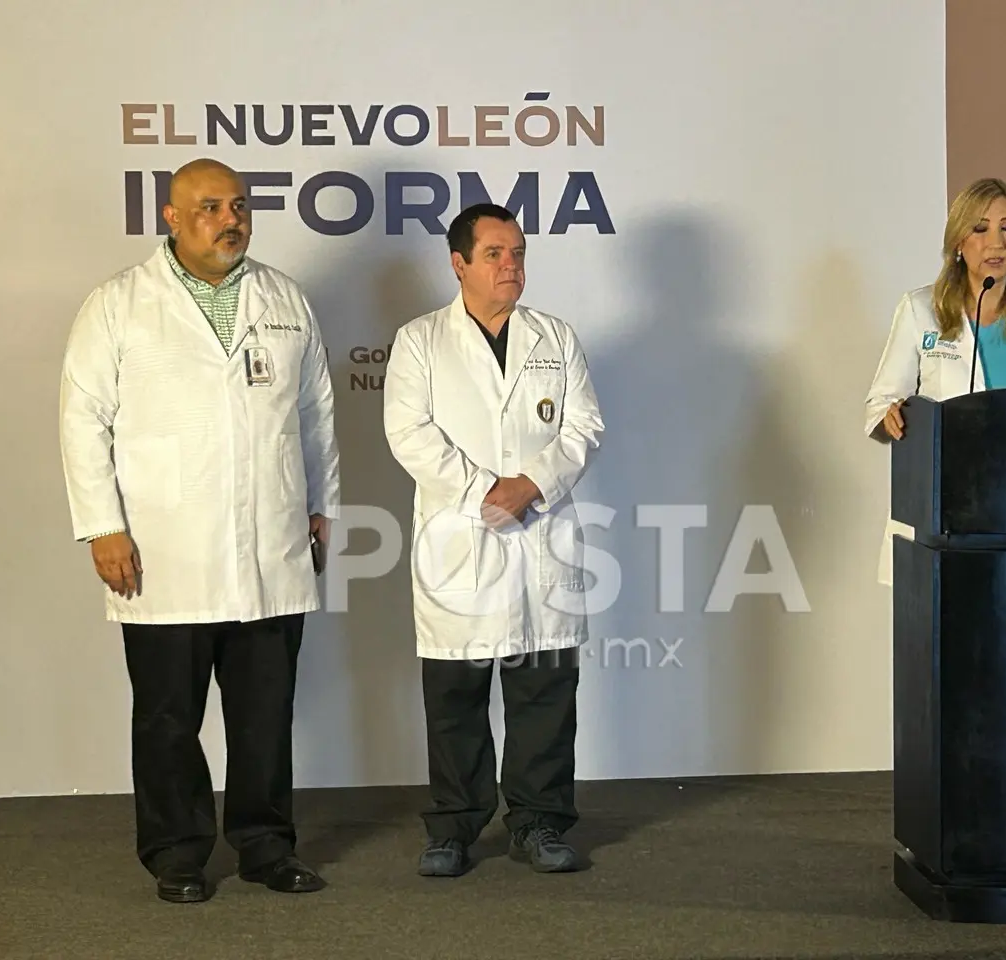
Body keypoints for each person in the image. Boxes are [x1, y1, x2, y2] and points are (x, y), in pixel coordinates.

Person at [58, 158, 341, 903]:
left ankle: (266, 846)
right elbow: (83, 419)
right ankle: (178, 853)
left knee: (263, 716)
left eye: (240, 205)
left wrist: (319, 506)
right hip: (162, 550)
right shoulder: (118, 304)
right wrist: (102, 527)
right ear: (173, 219)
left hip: (271, 544)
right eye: (211, 206)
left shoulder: (284, 300)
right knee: (166, 718)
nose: (231, 219)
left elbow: (314, 414)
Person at [382, 203, 604, 877]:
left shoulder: (555, 338)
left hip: (541, 536)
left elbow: (584, 427)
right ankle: (454, 826)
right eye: (495, 255)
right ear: (459, 264)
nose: (511, 267)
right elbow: (408, 433)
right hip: (460, 540)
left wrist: (531, 484)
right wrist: (485, 490)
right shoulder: (419, 341)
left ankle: (538, 823)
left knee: (545, 694)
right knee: (455, 695)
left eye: (518, 254)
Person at [863, 176, 1006, 584]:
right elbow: (879, 404)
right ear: (959, 242)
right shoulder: (921, 310)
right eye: (980, 229)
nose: (995, 242)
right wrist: (892, 415)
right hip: (946, 517)